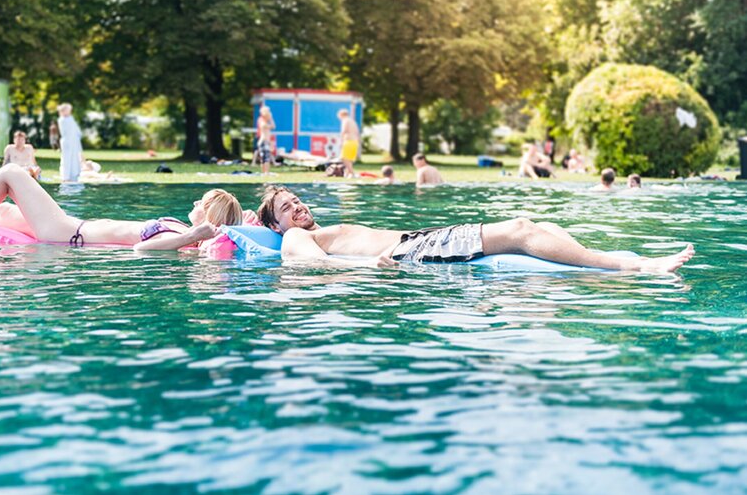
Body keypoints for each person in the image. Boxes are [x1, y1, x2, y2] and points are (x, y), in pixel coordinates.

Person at [256, 185, 694, 272]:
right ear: (273, 225)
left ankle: (595, 266)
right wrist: (373, 264)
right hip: (412, 252)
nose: (296, 207)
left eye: (296, 200)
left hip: (418, 241)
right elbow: (312, 266)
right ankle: (632, 268)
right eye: (285, 207)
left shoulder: (318, 225)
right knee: (522, 227)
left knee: (545, 223)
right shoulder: (295, 238)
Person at [0, 165, 250, 252]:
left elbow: (143, 249)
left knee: (11, 175)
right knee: (3, 214)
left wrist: (196, 234)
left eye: (200, 203)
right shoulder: (183, 231)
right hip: (72, 226)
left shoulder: (184, 238)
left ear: (210, 215)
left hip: (68, 235)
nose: (194, 203)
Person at [57, 103, 83, 182]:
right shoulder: (62, 120)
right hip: (67, 142)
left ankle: (73, 175)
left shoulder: (70, 118)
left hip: (74, 142)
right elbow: (66, 132)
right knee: (66, 159)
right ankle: (66, 176)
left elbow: (76, 130)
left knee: (74, 158)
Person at [338, 109, 361, 178]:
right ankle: (348, 174)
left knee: (344, 158)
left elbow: (344, 131)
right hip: (355, 142)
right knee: (349, 159)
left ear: (341, 115)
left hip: (348, 141)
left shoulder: (345, 120)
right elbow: (357, 132)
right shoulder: (353, 121)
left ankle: (352, 173)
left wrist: (341, 141)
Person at [255, 106, 275, 175]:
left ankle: (265, 172)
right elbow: (265, 129)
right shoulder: (261, 120)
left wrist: (270, 118)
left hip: (265, 141)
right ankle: (265, 172)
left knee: (265, 157)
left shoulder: (265, 121)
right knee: (265, 158)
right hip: (263, 141)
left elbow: (273, 126)